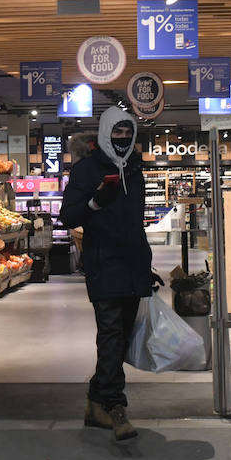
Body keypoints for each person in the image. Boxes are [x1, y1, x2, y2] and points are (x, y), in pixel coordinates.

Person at [59, 107, 152, 442]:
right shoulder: (86, 171)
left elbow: (133, 224)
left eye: (128, 133)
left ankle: (96, 401)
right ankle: (115, 406)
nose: (123, 139)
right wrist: (95, 204)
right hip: (104, 265)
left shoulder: (135, 169)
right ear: (106, 133)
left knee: (122, 337)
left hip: (132, 265)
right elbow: (67, 217)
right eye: (118, 132)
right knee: (111, 335)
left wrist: (146, 264)